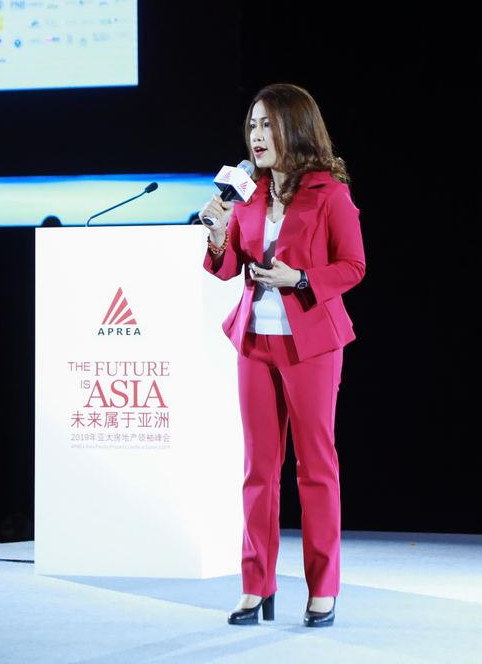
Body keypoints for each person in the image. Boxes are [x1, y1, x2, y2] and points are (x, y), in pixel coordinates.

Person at [199, 83, 365, 628]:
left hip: (310, 344)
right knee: (258, 471)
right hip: (254, 341)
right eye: (252, 125)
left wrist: (301, 279)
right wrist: (218, 235)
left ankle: (323, 590)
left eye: (267, 124)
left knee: (315, 469)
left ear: (295, 127)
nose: (257, 135)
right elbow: (228, 267)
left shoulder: (329, 193)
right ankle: (256, 587)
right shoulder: (247, 194)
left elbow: (353, 265)